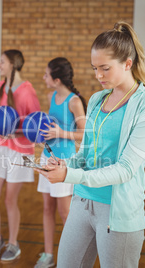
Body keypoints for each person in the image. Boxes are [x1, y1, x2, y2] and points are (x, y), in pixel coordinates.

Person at [35, 21, 145, 268]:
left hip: (117, 212)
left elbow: (126, 169)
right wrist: (64, 163)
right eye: (95, 68)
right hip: (82, 203)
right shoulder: (96, 99)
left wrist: (69, 175)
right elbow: (86, 152)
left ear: (128, 63)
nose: (98, 76)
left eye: (105, 68)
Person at [0, 49, 41, 262]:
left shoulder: (28, 91)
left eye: (2, 61)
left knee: (9, 200)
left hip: (21, 152)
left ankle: (13, 244)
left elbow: (35, 127)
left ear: (12, 64)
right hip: (0, 149)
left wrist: (16, 130)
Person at [34, 57, 87, 268]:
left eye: (46, 74)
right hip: (46, 158)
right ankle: (48, 255)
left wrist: (60, 132)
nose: (44, 78)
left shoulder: (74, 101)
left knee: (65, 213)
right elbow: (49, 126)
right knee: (47, 208)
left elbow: (84, 134)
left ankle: (70, 259)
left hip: (64, 162)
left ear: (56, 80)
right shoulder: (51, 95)